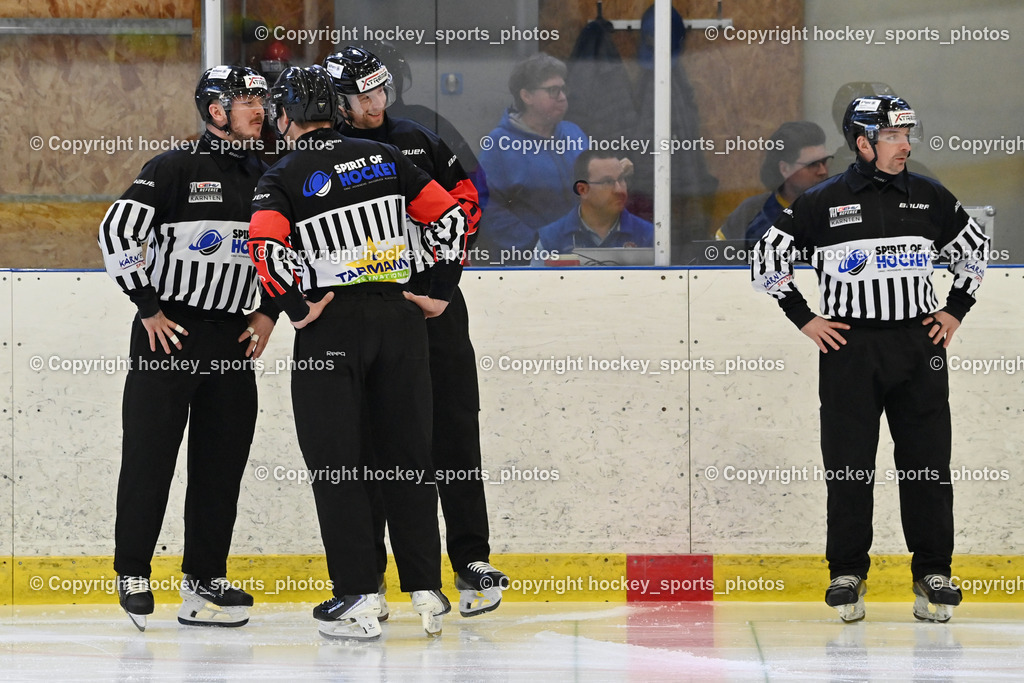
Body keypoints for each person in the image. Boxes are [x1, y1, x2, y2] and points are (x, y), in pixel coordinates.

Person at [248, 65, 468, 640]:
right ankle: (426, 591)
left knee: (337, 464)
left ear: (285, 116)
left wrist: (296, 308)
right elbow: (450, 216)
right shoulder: (385, 156)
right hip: (400, 319)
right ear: (335, 108)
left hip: (333, 327)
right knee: (409, 458)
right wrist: (439, 291)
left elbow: (264, 248)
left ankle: (358, 596)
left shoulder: (280, 174)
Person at [751, 95, 988, 624]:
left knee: (927, 465)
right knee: (848, 466)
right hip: (849, 350)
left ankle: (933, 573)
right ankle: (847, 574)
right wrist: (804, 318)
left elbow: (974, 250)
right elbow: (766, 256)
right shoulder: (822, 201)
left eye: (907, 135)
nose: (905, 145)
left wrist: (955, 309)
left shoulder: (929, 195)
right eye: (893, 137)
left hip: (918, 348)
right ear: (863, 143)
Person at [323, 45, 509, 618]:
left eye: (380, 90)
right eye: (361, 96)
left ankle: (471, 560)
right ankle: (369, 579)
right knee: (375, 444)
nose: (375, 103)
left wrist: (441, 284)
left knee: (455, 430)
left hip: (436, 305)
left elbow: (468, 203)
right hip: (370, 313)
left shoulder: (419, 137)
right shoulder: (323, 154)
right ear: (336, 102)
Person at [98, 65, 277, 631]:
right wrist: (147, 306)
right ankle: (133, 571)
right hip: (170, 335)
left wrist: (269, 311)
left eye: (262, 99)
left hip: (233, 339)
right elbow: (117, 232)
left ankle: (204, 580)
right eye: (246, 100)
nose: (259, 109)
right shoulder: (174, 167)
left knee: (221, 465)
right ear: (216, 110)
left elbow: (287, 249)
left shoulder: (268, 174)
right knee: (150, 457)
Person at [477, 53, 588, 265]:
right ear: (526, 96)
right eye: (553, 90)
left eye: (563, 89)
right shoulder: (499, 144)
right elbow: (487, 207)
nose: (562, 97)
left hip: (582, 254)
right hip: (529, 262)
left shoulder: (574, 133)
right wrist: (535, 243)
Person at [715, 121, 829, 243]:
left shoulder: (838, 206)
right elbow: (720, 252)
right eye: (812, 164)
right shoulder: (750, 212)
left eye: (825, 161)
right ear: (785, 169)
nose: (823, 171)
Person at [533, 149, 654, 265]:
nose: (619, 189)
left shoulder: (648, 235)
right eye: (608, 182)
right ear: (583, 189)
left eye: (621, 179)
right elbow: (536, 279)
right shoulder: (551, 239)